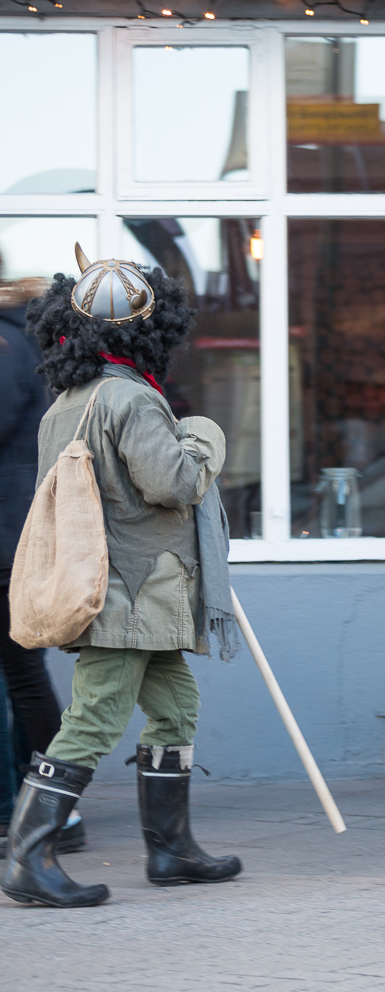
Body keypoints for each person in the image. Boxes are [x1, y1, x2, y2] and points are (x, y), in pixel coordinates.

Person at [3, 247, 242, 908]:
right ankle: (28, 859)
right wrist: (203, 436)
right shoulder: (133, 399)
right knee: (94, 719)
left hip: (124, 588)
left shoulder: (68, 402)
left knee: (175, 707)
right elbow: (175, 483)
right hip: (136, 592)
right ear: (149, 327)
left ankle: (172, 849)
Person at [0, 275, 83, 856]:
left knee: (21, 680)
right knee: (25, 677)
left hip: (5, 538)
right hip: (23, 534)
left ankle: (31, 810)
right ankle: (53, 809)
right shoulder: (28, 340)